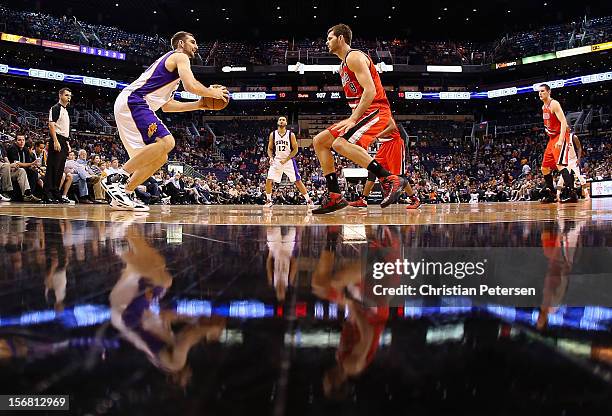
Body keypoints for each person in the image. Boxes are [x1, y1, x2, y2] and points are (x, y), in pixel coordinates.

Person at [108, 31, 229, 210]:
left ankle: (124, 193)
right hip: (135, 100)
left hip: (136, 104)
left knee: (161, 157)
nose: (196, 46)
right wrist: (212, 93)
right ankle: (115, 179)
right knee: (167, 141)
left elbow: (167, 106)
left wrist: (199, 104)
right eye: (193, 42)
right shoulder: (180, 57)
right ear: (180, 43)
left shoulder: (173, 71)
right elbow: (191, 85)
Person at [311, 24, 407, 214]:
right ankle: (334, 195)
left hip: (376, 109)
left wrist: (353, 119)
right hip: (363, 111)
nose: (326, 42)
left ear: (340, 39)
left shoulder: (353, 57)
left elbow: (370, 90)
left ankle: (389, 179)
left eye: (330, 38)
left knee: (339, 144)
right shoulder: (342, 65)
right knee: (319, 141)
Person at [348, 118, 421, 209]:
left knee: (399, 176)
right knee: (372, 170)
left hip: (395, 143)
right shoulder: (367, 116)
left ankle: (414, 199)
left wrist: (376, 137)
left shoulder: (381, 110)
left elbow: (392, 127)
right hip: (384, 145)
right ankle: (363, 200)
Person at [538, 84, 576, 203]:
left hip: (561, 136)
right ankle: (552, 193)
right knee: (544, 168)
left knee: (560, 165)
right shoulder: (543, 106)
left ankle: (572, 194)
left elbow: (564, 121)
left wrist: (560, 140)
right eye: (539, 91)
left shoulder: (554, 104)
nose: (540, 93)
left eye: (543, 91)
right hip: (552, 138)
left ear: (549, 92)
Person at [264, 116, 314, 208]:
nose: (281, 121)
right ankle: (269, 200)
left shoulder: (290, 134)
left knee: (297, 181)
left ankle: (308, 200)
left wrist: (286, 159)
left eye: (283, 120)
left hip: (288, 161)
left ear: (286, 123)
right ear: (278, 122)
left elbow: (295, 150)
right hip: (277, 160)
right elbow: (270, 149)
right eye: (280, 120)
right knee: (268, 180)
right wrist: (271, 158)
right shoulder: (273, 134)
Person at [44, 87, 72, 203]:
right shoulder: (55, 108)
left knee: (60, 169)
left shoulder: (66, 110)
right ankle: (47, 194)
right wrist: (55, 141)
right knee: (52, 168)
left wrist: (67, 143)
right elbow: (51, 125)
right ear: (60, 95)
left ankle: (56, 193)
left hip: (64, 140)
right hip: (57, 139)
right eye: (66, 95)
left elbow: (64, 129)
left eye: (70, 96)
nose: (68, 97)